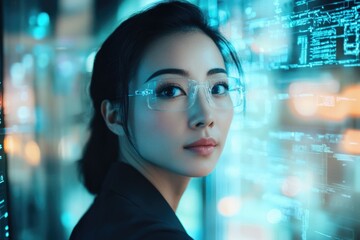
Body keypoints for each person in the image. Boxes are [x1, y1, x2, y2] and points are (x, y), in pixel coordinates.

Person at [70, 1, 244, 239]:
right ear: (115, 116)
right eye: (171, 91)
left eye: (218, 88)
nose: (205, 117)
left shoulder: (116, 215)